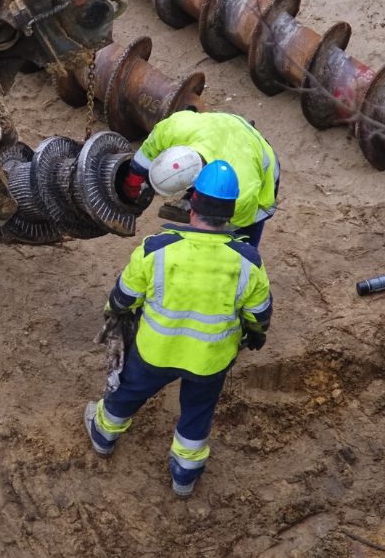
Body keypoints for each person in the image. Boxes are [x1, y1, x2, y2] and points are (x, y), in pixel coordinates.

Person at [86, 160, 272, 497]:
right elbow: (258, 314)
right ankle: (184, 475)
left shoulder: (157, 249)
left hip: (156, 351)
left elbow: (123, 296)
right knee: (198, 413)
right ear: (230, 212)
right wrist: (257, 336)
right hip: (210, 361)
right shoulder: (247, 261)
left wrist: (113, 313)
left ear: (192, 204)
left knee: (127, 391)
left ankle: (103, 436)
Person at [120, 110, 279, 248]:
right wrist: (134, 178)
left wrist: (202, 227)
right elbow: (150, 148)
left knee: (242, 241)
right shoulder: (173, 129)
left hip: (257, 162)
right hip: (225, 126)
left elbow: (232, 225)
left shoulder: (241, 192)